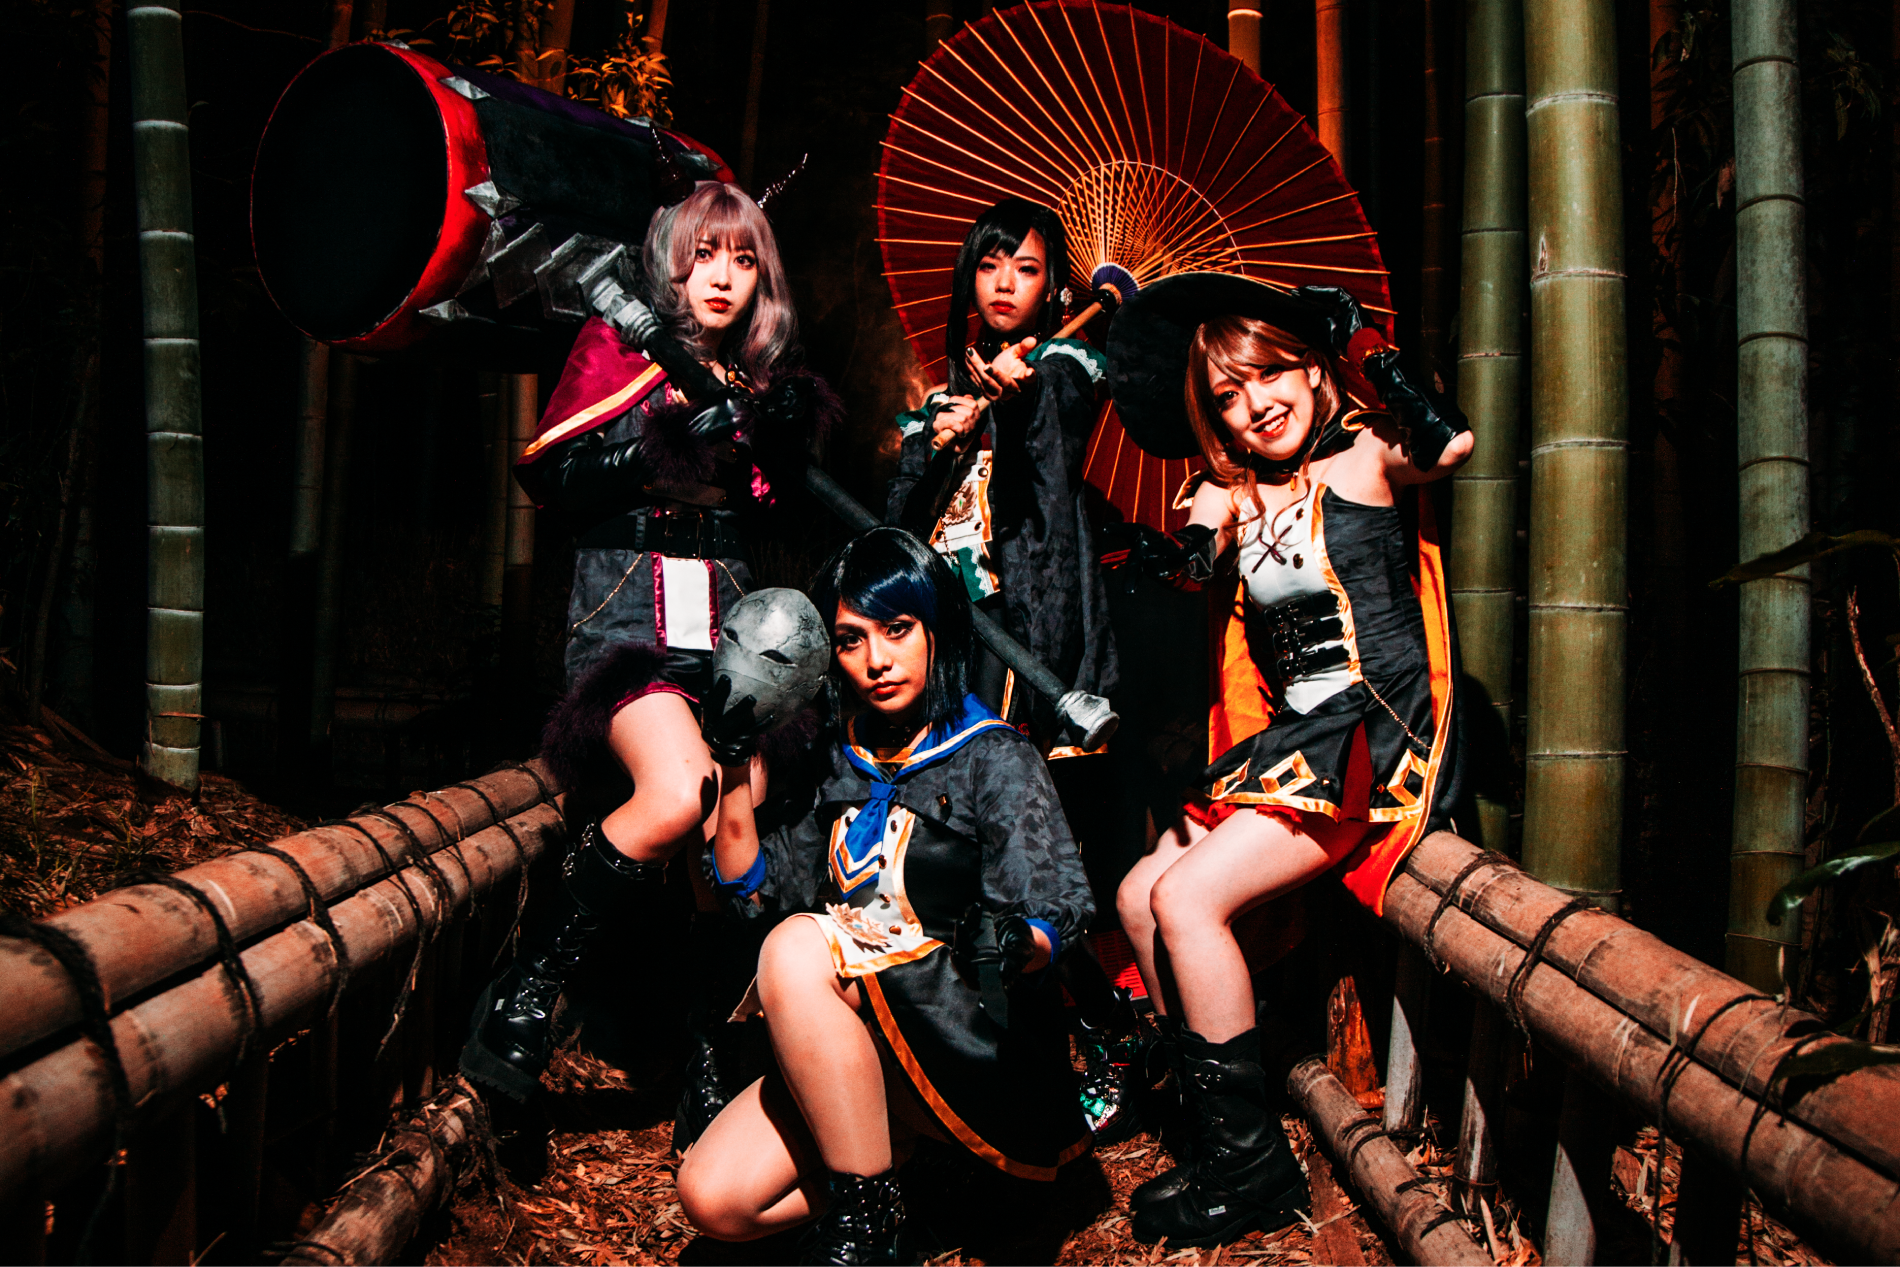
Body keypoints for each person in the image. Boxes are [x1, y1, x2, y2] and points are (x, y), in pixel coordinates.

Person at [458, 181, 835, 1140]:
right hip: (629, 616)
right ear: (673, 258)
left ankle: (708, 1055)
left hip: (733, 628)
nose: (723, 276)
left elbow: (785, 510)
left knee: (736, 826)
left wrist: (777, 439)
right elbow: (552, 474)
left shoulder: (755, 383)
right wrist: (654, 454)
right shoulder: (621, 346)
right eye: (706, 254)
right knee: (680, 792)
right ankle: (525, 992)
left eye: (743, 259)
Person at [1106, 275, 1471, 1247]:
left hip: (1371, 735)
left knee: (1186, 899)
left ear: (1312, 371)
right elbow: (1192, 569)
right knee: (1139, 895)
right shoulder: (1232, 492)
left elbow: (1451, 444)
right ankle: (1218, 1127)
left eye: (1270, 373)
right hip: (1288, 741)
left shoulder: (1366, 458)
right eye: (1227, 394)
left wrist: (1368, 349)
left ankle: (1253, 1168)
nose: (1254, 404)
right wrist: (1174, 552)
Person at [675, 528, 1094, 1265]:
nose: (876, 659)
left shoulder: (993, 755)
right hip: (866, 1050)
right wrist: (732, 757)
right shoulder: (838, 757)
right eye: (850, 639)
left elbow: (1057, 904)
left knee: (799, 948)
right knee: (714, 1197)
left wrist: (1014, 942)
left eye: (897, 629)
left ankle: (866, 1231)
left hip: (975, 1044)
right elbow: (755, 897)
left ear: (938, 628)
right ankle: (900, 1184)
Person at [885, 196, 1147, 1140]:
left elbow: (1057, 443)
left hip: (1021, 643)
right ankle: (981, 1047)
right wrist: (936, 442)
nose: (1005, 284)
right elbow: (897, 525)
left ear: (1056, 289)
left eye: (1028, 268)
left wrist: (1019, 391)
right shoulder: (942, 397)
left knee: (1028, 852)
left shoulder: (1070, 369)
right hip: (944, 648)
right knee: (949, 849)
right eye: (992, 265)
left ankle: (1107, 1031)